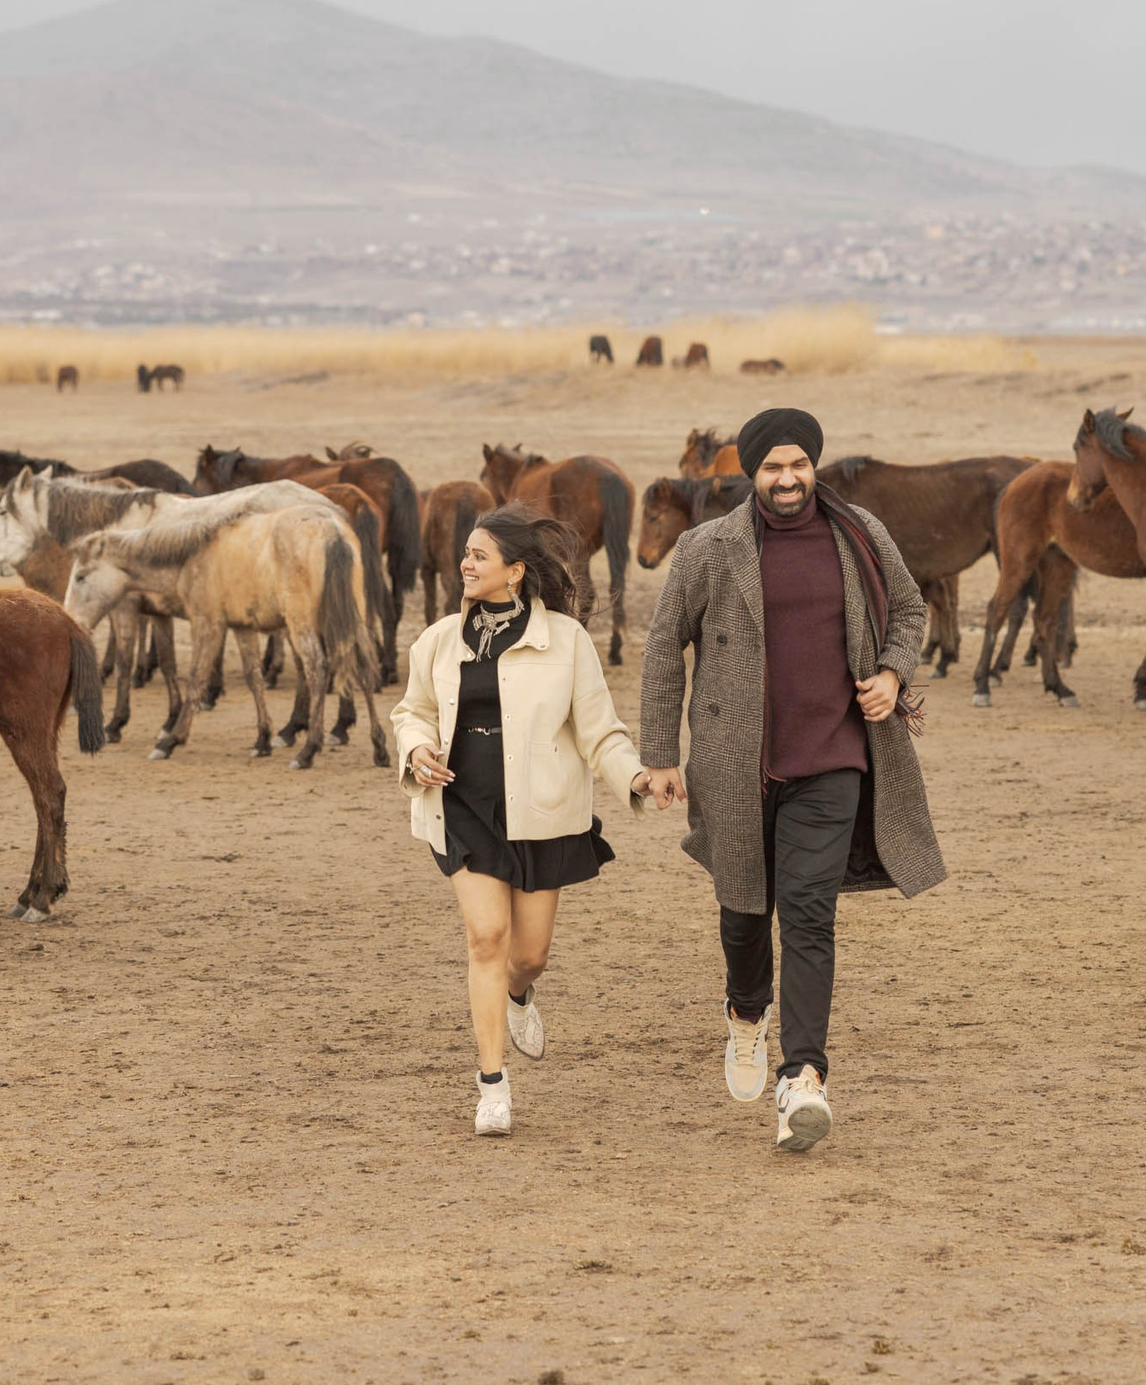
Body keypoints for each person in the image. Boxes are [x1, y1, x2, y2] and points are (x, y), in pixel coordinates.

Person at [639, 407, 944, 1152]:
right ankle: (747, 1013)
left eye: (798, 465)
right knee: (744, 907)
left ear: (814, 466)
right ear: (751, 473)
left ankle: (803, 1076)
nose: (787, 479)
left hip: (834, 756)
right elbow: (660, 647)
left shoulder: (859, 534)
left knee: (808, 913)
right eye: (772, 468)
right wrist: (658, 754)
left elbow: (908, 609)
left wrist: (890, 670)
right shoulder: (709, 548)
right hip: (734, 762)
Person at [392, 505, 665, 1137]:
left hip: (542, 814)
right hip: (462, 809)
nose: (465, 563)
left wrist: (635, 776)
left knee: (529, 955)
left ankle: (519, 994)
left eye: (479, 556)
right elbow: (412, 711)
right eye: (466, 554)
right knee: (486, 938)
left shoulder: (566, 640)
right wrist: (416, 747)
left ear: (515, 572)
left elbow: (600, 732)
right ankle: (492, 1087)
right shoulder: (438, 639)